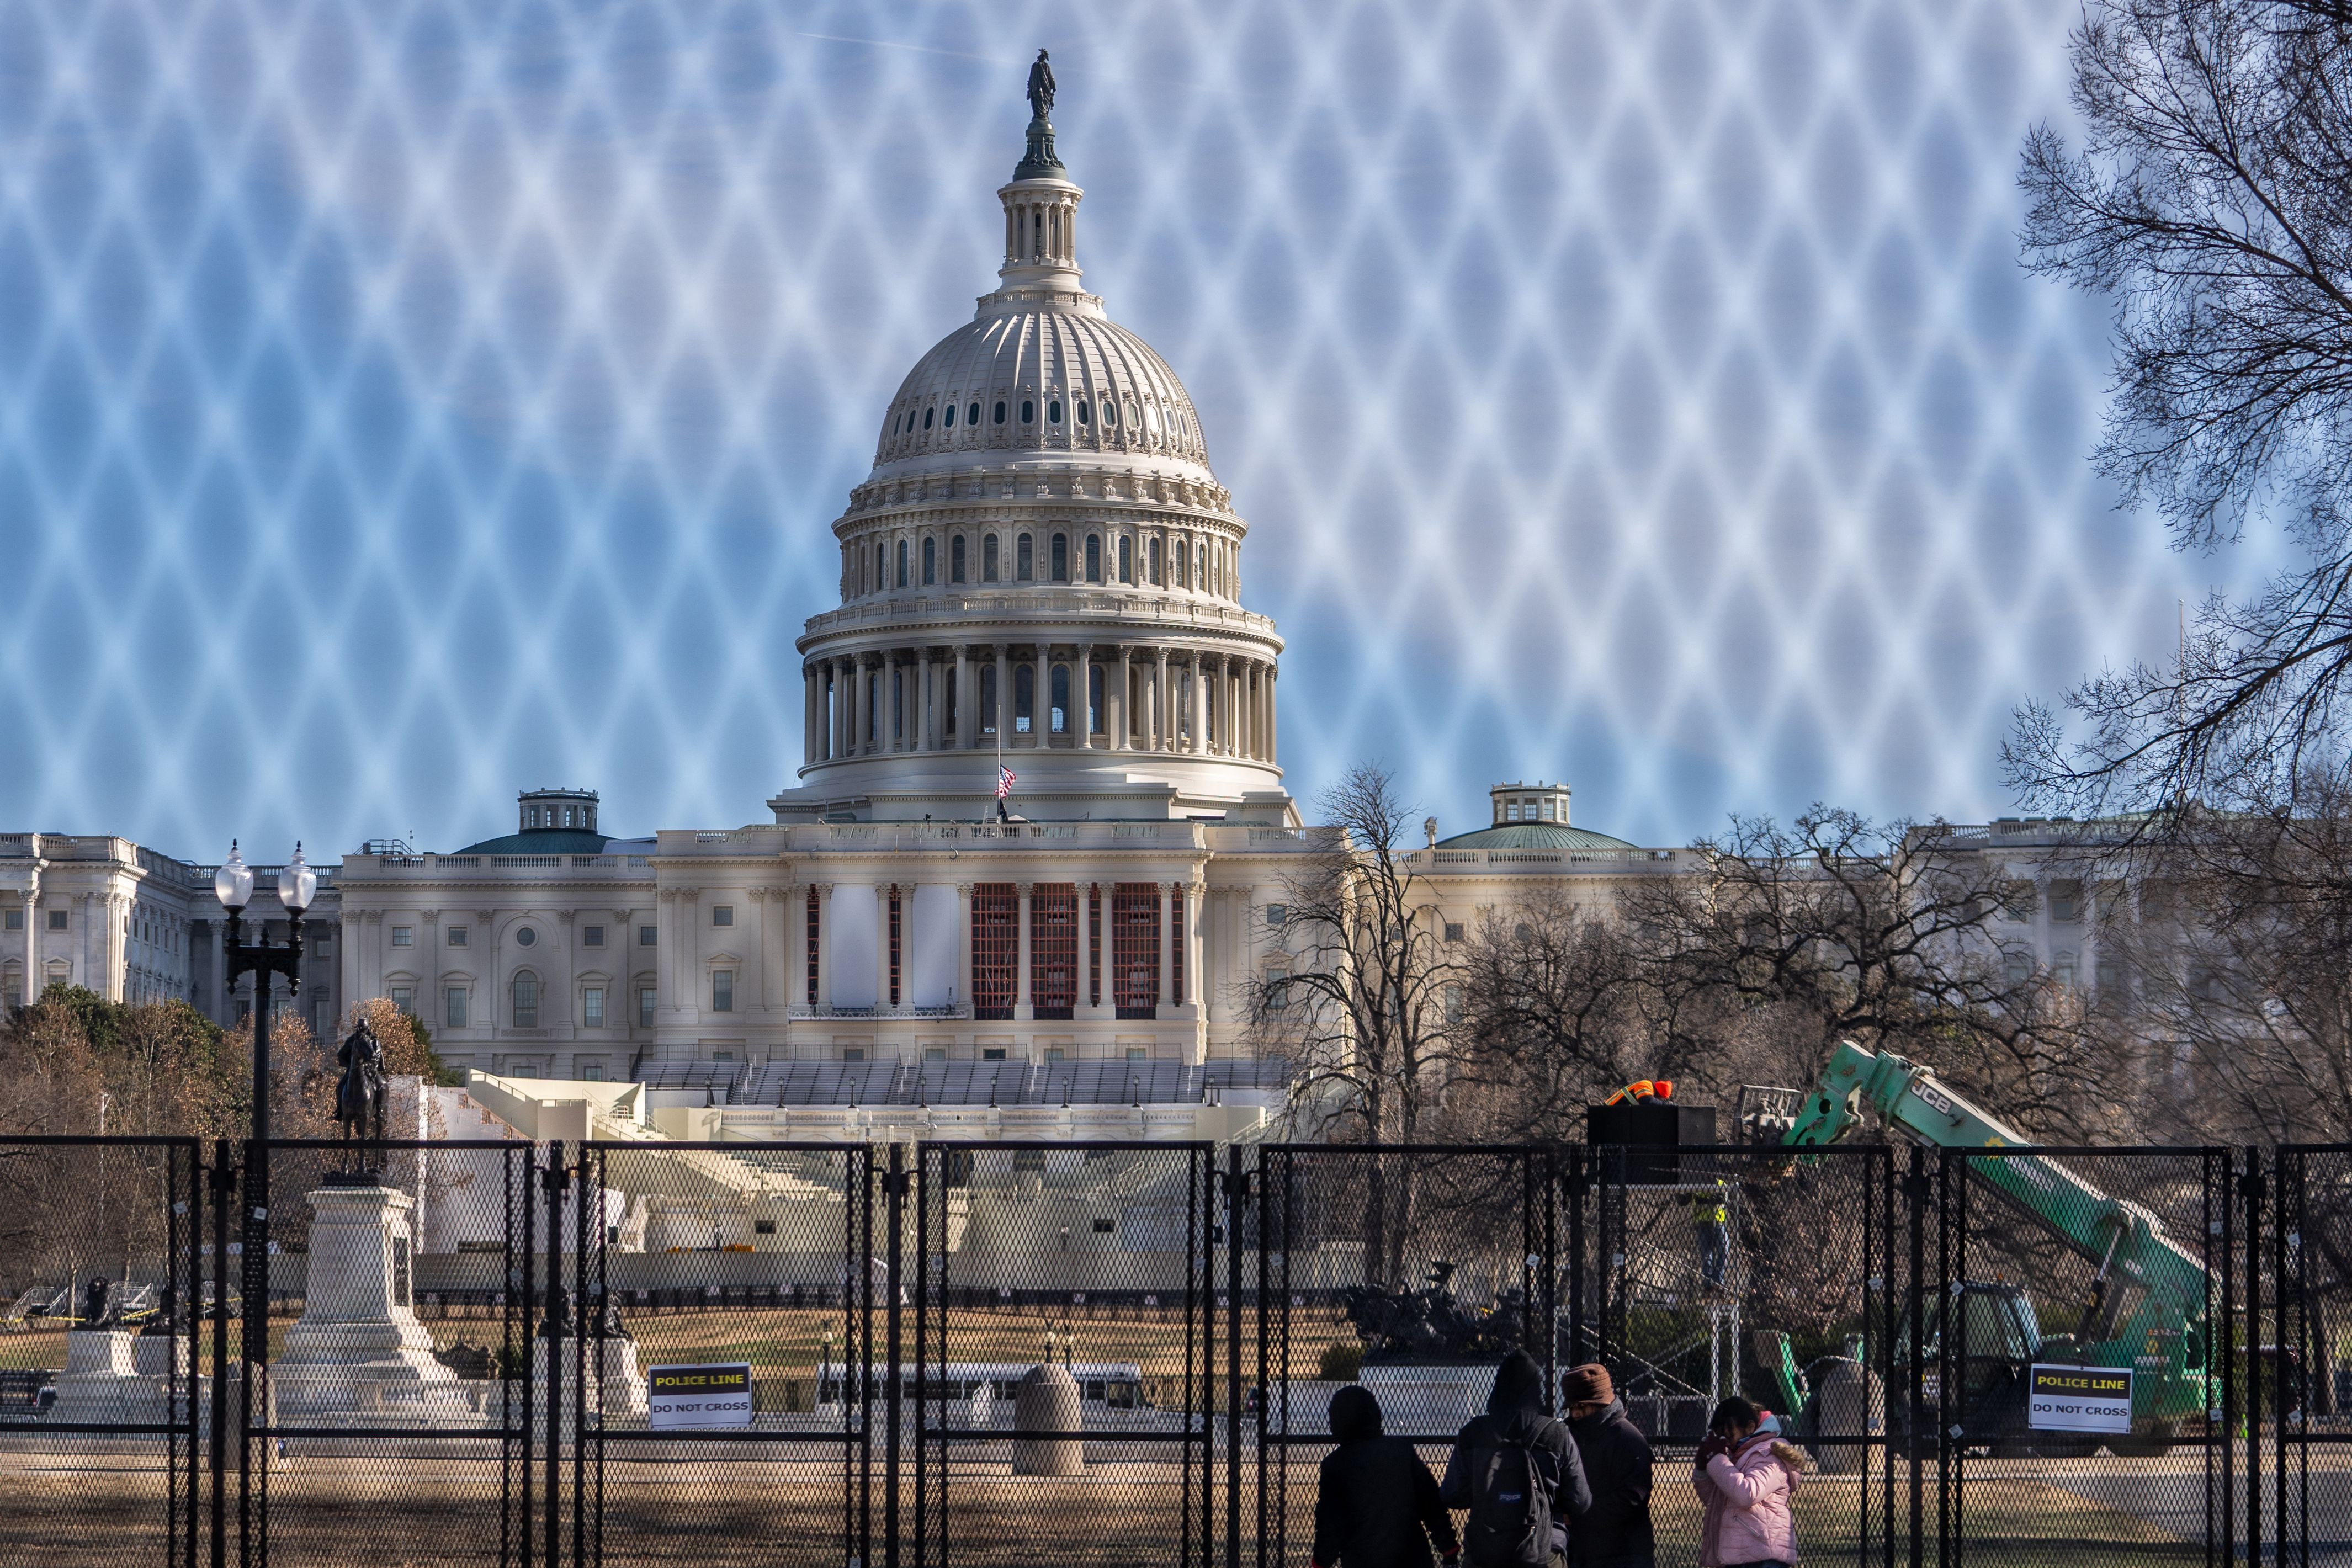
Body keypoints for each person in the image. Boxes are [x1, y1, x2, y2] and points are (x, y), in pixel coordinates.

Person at [1442, 1348, 1591, 1566]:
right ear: (1536, 1387)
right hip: (1543, 1549)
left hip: (1484, 1551)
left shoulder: (1473, 1433)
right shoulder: (1556, 1435)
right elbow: (1580, 1501)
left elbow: (1452, 1495)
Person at [1312, 1384, 1461, 1568]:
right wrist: (1448, 1548)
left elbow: (1331, 1524)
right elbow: (1431, 1504)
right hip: (1413, 1559)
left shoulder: (1335, 1465)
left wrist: (1320, 1562)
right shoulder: (1401, 1451)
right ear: (1375, 1416)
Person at [1691, 1396, 1807, 1568]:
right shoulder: (1738, 1456)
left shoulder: (1769, 1454)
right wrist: (1702, 1467)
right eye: (1723, 1438)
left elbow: (1747, 1494)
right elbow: (1715, 1500)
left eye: (1730, 1436)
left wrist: (1718, 1459)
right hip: (1739, 1554)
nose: (1728, 1444)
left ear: (1750, 1427)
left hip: (1764, 1556)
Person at [1560, 1364, 1653, 1568]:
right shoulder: (1573, 1435)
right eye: (1572, 1408)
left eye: (1581, 1407)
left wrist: (1582, 1514)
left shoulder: (1627, 1439)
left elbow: (1632, 1499)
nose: (1575, 1414)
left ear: (1601, 1403)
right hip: (1583, 1551)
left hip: (1625, 1554)